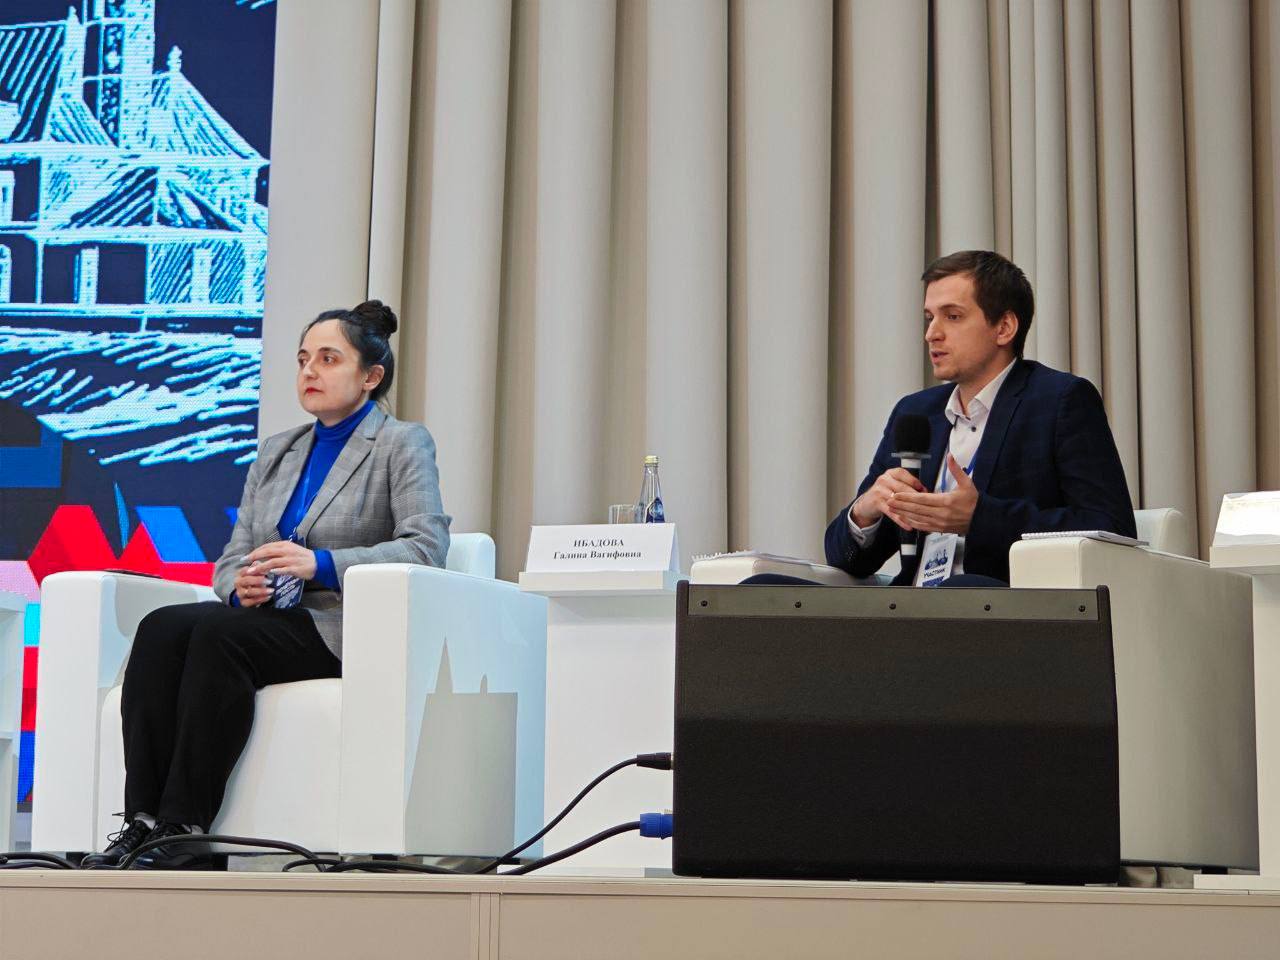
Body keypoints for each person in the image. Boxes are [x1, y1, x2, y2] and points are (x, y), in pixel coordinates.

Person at [82, 300, 451, 869]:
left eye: (328, 359)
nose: (309, 371)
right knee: (160, 628)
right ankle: (143, 821)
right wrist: (239, 587)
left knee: (220, 638)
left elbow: (425, 546)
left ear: (371, 376)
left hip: (338, 622)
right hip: (266, 616)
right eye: (303, 359)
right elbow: (233, 555)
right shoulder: (278, 450)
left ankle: (185, 827)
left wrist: (320, 564)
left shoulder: (401, 443)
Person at [823, 249, 1135, 587]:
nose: (932, 334)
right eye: (929, 318)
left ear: (1004, 327)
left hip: (997, 606)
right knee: (777, 589)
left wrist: (980, 517)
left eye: (952, 316)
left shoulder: (1060, 401)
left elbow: (1111, 529)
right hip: (909, 607)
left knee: (960, 588)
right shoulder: (915, 412)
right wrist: (864, 512)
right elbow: (849, 560)